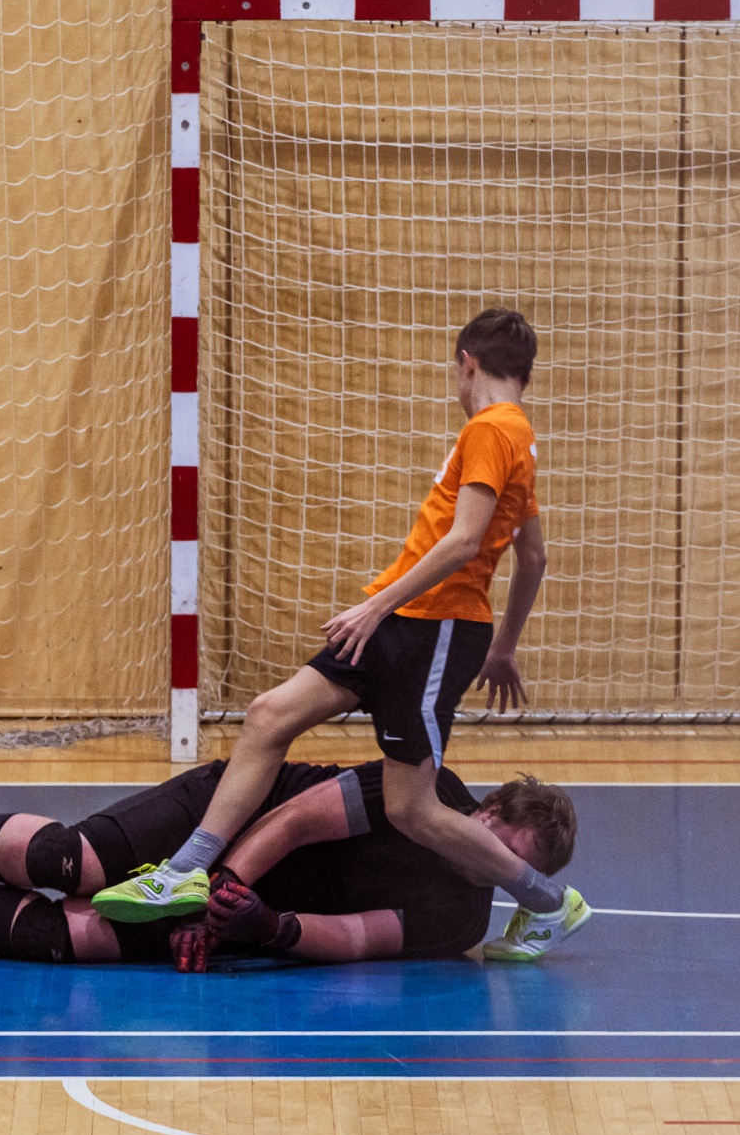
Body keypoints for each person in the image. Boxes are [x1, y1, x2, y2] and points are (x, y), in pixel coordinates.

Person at [92, 308, 583, 960]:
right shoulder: (519, 437)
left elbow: (465, 540)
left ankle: (549, 901)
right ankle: (184, 871)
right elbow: (534, 556)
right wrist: (505, 646)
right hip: (404, 622)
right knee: (270, 715)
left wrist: (376, 608)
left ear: (466, 363)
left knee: (411, 808)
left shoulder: (493, 429)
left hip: (429, 628)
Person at [0, 760, 584, 969]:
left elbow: (359, 936)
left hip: (242, 904)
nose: (497, 873)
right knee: (72, 862)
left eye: (514, 876)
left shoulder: (462, 917)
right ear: (486, 814)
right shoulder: (424, 790)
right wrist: (212, 889)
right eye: (502, 853)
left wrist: (269, 927)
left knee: (76, 938)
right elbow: (293, 820)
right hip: (228, 820)